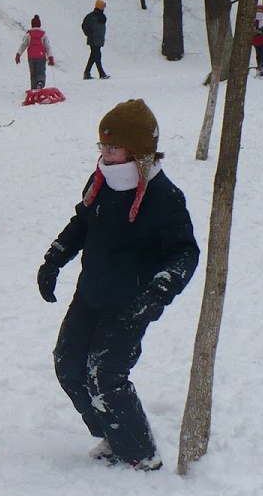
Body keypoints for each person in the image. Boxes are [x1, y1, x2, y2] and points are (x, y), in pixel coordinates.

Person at [37, 100, 199, 471]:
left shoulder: (164, 197)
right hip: (90, 293)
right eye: (102, 146)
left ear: (138, 150)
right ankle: (112, 434)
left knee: (106, 374)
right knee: (69, 367)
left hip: (131, 301)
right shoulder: (101, 183)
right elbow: (83, 221)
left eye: (113, 147)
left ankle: (141, 453)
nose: (105, 153)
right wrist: (55, 258)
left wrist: (160, 291)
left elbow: (184, 252)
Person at [16, 14, 55, 90]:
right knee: (41, 72)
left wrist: (18, 54)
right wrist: (51, 57)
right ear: (40, 25)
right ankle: (40, 83)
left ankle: (33, 88)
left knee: (33, 73)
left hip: (31, 57)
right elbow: (48, 47)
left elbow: (23, 45)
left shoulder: (28, 34)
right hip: (41, 57)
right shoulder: (43, 35)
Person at [81, 0, 110, 79]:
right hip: (93, 39)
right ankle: (100, 73)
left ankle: (88, 73)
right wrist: (89, 34)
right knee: (96, 56)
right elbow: (84, 26)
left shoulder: (101, 17)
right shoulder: (91, 16)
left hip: (99, 40)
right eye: (103, 7)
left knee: (95, 56)